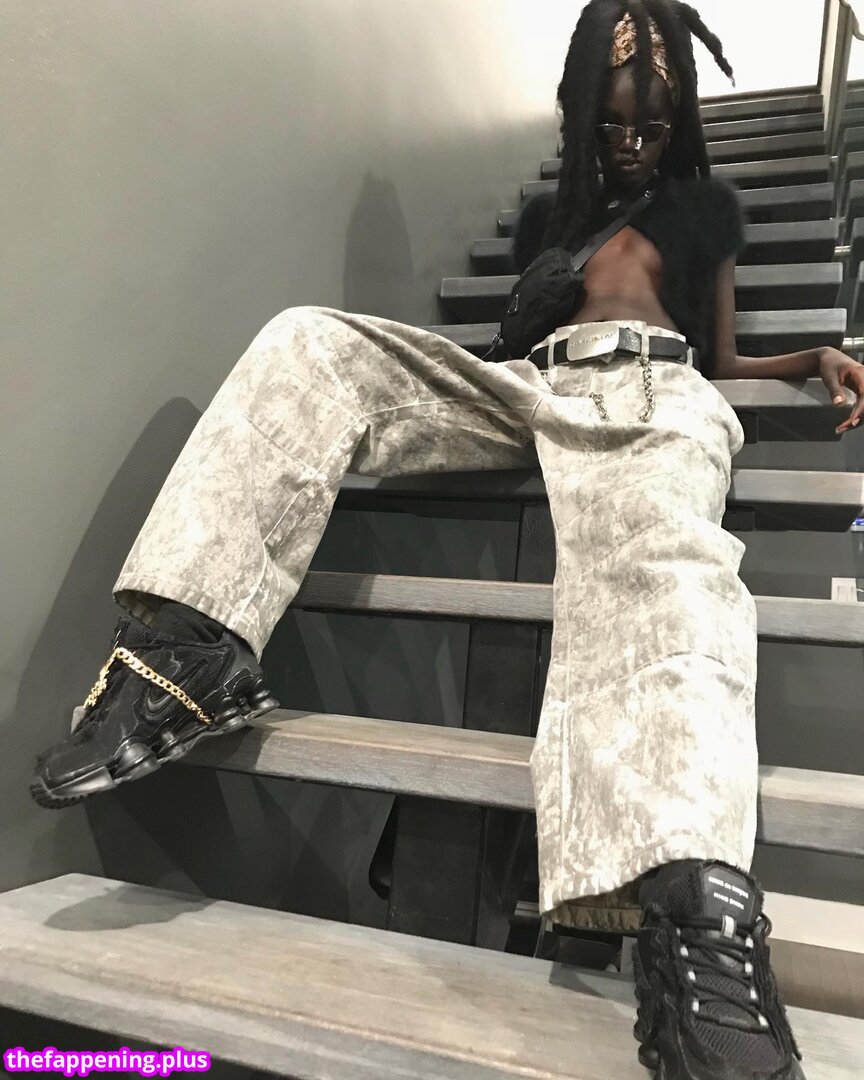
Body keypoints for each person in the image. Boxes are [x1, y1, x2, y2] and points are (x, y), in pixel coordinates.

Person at [29, 2, 862, 1076]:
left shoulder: (706, 209)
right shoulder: (550, 220)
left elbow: (726, 357)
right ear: (582, 116)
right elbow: (509, 344)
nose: (632, 141)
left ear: (679, 122)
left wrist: (812, 360)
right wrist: (530, 308)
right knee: (308, 343)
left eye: (652, 125)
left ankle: (700, 921)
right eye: (613, 123)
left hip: (659, 390)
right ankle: (189, 647)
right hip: (529, 385)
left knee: (673, 569)